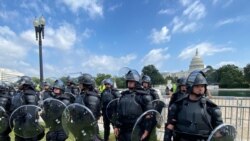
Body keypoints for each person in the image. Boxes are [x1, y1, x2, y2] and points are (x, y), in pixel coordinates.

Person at [164, 70, 223, 141]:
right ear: (190, 87)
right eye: (197, 86)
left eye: (202, 86)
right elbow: (170, 126)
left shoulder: (211, 107)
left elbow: (219, 130)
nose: (200, 88)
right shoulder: (178, 105)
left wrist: (219, 134)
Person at [114, 69, 154, 141]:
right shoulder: (123, 95)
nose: (129, 83)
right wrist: (116, 126)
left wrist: (146, 131)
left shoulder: (144, 96)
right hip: (123, 129)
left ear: (137, 82)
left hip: (136, 129)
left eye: (131, 81)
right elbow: (119, 112)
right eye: (128, 81)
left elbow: (149, 115)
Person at [11, 76, 44, 141]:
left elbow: (31, 110)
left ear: (25, 84)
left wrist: (27, 123)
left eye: (21, 82)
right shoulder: (21, 92)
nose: (19, 84)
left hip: (28, 124)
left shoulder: (30, 94)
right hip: (20, 122)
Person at [74, 73, 102, 141]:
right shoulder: (82, 95)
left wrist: (80, 123)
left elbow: (91, 117)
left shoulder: (92, 97)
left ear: (85, 85)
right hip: (81, 128)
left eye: (80, 83)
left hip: (89, 130)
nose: (79, 85)